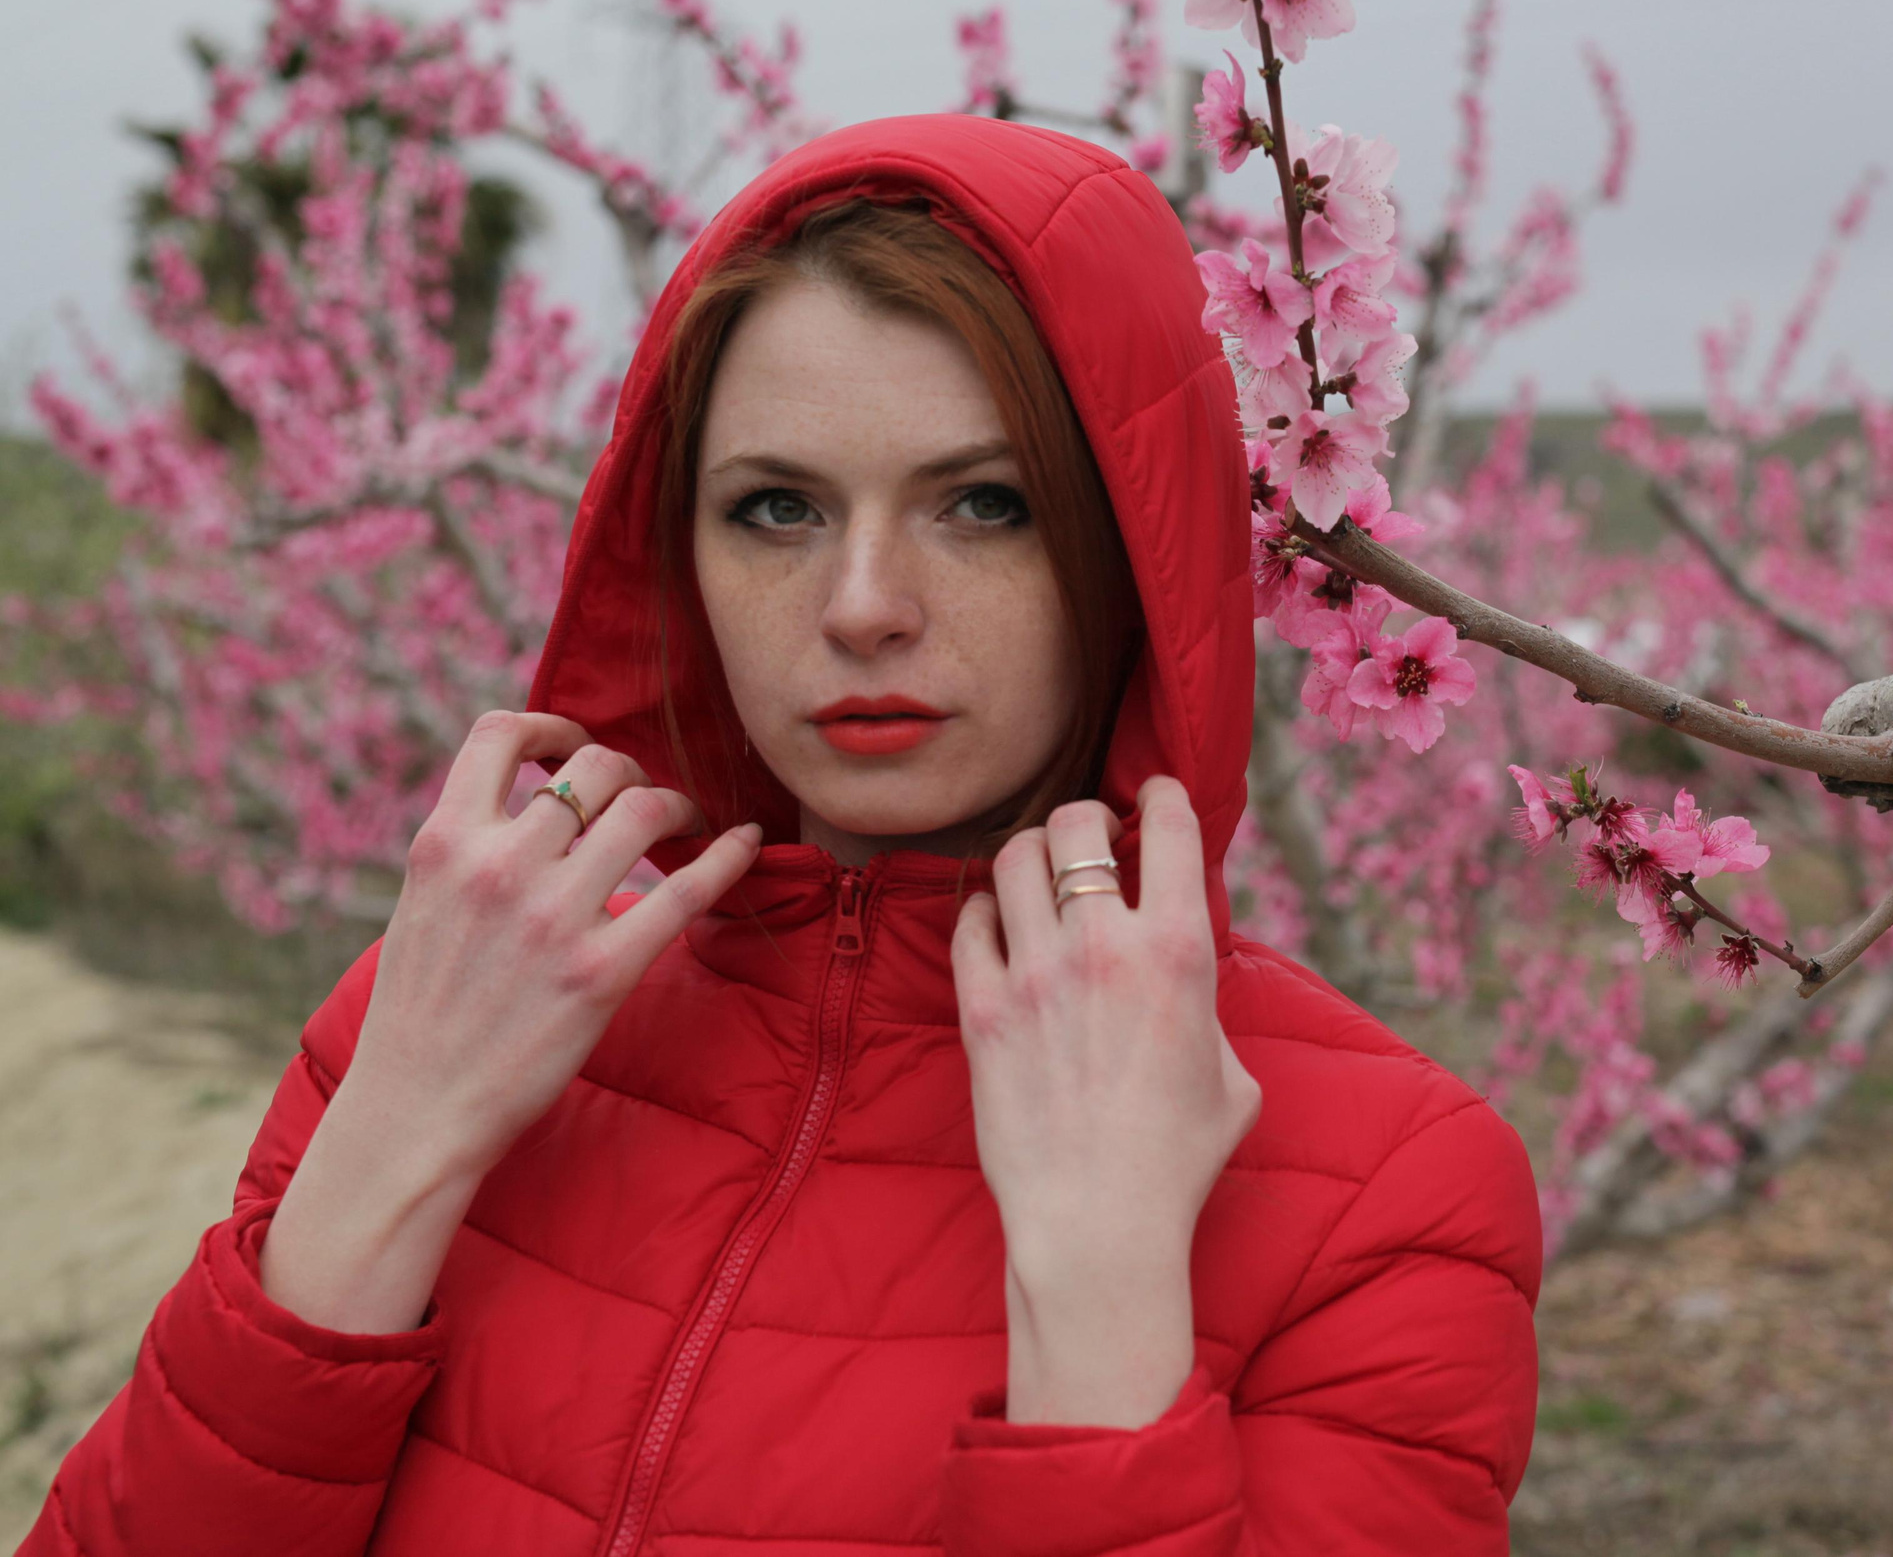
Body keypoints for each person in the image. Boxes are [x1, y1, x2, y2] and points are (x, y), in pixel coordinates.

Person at [20, 114, 1542, 1557]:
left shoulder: (1390, 1193)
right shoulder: (441, 1011)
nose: (863, 603)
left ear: (1135, 544)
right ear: (672, 546)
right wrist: (391, 1147)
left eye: (988, 505)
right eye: (775, 510)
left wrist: (1105, 1287)